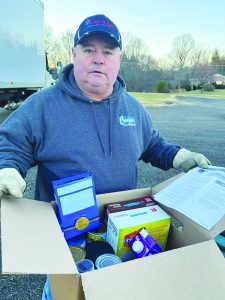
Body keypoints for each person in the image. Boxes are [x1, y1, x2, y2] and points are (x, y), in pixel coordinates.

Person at [0, 14, 210, 299]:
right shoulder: (42, 105)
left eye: (107, 52)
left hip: (124, 228)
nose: (99, 59)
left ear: (118, 59)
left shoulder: (133, 108)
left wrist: (179, 156)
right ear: (74, 54)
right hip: (65, 237)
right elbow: (11, 143)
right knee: (63, 294)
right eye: (89, 50)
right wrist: (7, 168)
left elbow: (151, 145)